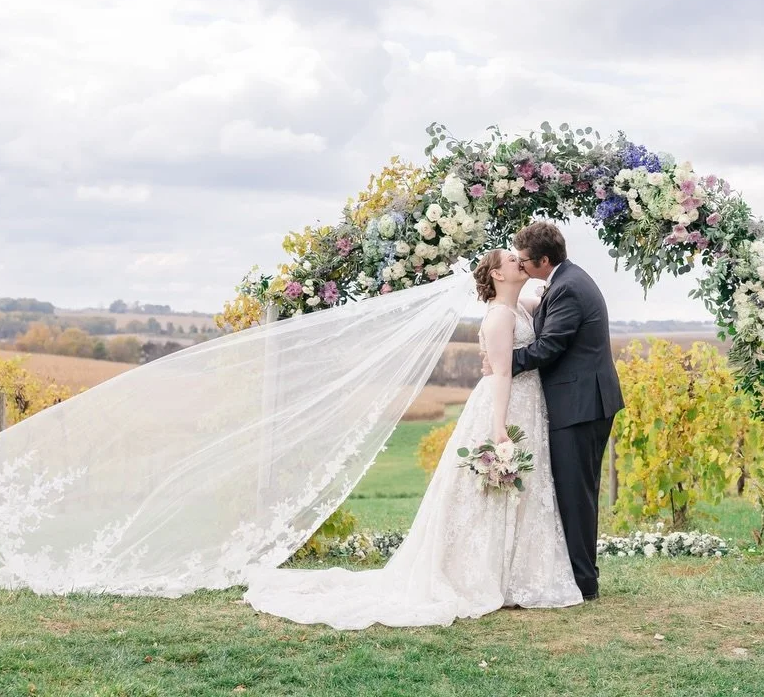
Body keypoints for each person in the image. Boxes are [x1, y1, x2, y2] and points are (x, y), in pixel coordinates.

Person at [242, 249, 583, 629]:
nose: (521, 262)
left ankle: (514, 576)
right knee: (489, 493)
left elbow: (550, 291)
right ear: (498, 276)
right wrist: (499, 427)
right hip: (505, 405)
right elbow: (502, 374)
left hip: (527, 404)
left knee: (521, 492)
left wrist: (551, 276)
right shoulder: (500, 317)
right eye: (511, 261)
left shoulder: (519, 305)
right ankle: (482, 576)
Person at [489, 221, 625, 601]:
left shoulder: (568, 288)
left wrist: (504, 360)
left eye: (526, 261)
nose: (522, 266)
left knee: (576, 493)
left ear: (544, 260)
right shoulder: (565, 281)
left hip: (581, 405)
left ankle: (584, 582)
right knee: (573, 490)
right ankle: (579, 574)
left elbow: (549, 347)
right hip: (580, 402)